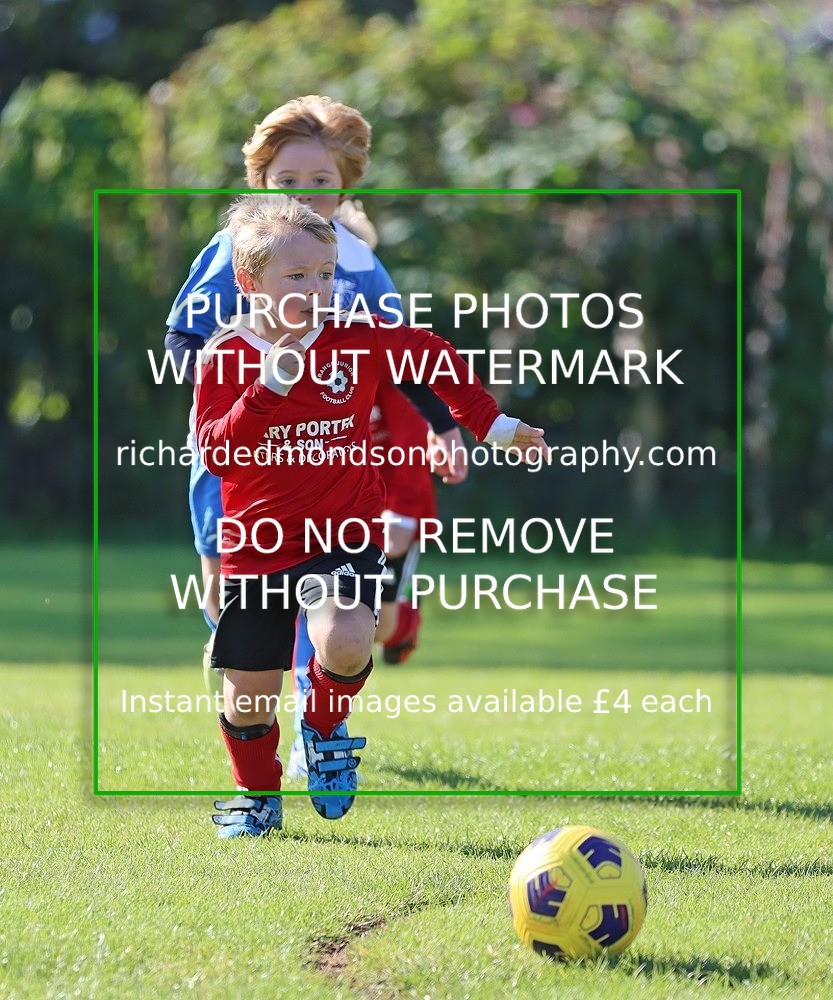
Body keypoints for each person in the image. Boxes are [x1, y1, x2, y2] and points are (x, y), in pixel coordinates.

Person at [197, 194, 548, 837]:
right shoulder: (226, 356)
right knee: (247, 697)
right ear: (250, 283)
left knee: (349, 635)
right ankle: (256, 797)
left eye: (326, 274)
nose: (317, 289)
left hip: (344, 534)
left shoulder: (355, 339)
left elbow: (432, 356)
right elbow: (218, 450)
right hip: (259, 546)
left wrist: (491, 425)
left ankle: (325, 724)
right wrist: (267, 389)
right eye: (297, 276)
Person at [163, 97, 465, 769]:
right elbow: (183, 336)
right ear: (262, 180)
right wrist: (225, 386)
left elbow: (403, 353)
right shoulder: (230, 252)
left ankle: (315, 721)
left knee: (333, 603)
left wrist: (442, 426)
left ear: (344, 185)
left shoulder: (356, 262)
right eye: (289, 181)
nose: (306, 195)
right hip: (237, 460)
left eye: (321, 183)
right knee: (226, 598)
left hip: (325, 464)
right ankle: (260, 699)